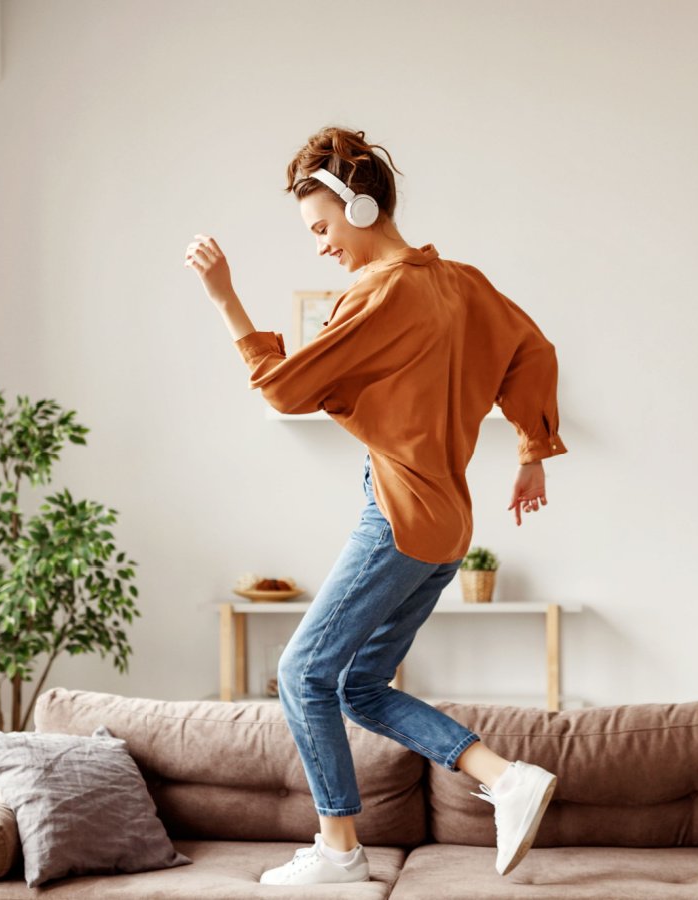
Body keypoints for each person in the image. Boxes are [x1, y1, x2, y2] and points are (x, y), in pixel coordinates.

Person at [184, 125, 568, 886]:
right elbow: (534, 350)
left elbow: (286, 388)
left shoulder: (379, 291)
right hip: (448, 524)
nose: (320, 246)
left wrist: (226, 299)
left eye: (321, 227)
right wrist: (530, 452)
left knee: (300, 673)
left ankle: (339, 852)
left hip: (398, 513)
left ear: (360, 207)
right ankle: (504, 778)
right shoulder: (460, 281)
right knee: (358, 685)